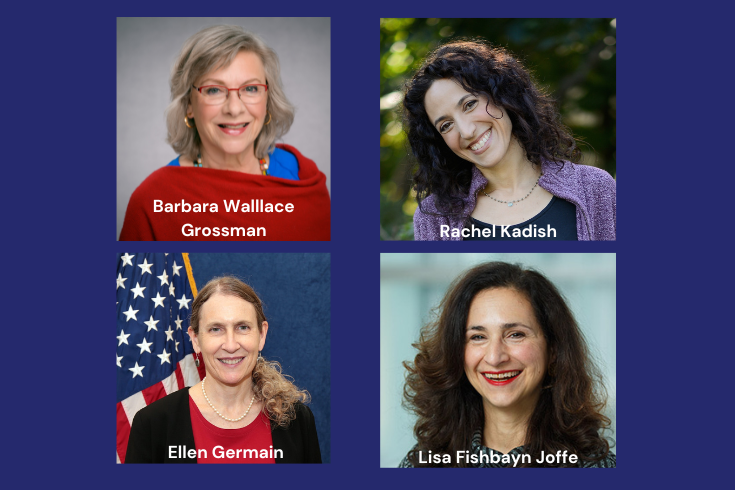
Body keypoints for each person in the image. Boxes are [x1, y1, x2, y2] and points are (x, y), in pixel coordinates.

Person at [119, 25, 330, 241]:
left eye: (250, 89)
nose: (234, 109)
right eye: (214, 90)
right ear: (188, 104)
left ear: (267, 100)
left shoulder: (303, 178)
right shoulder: (153, 199)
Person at [400, 262, 615, 467]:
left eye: (515, 334)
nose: (495, 357)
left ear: (554, 350)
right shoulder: (422, 464)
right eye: (477, 337)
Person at [403, 41, 615, 241]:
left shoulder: (594, 189)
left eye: (469, 105)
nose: (466, 131)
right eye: (446, 125)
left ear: (501, 95)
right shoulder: (435, 218)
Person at [125, 276, 321, 463]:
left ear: (262, 334)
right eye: (215, 329)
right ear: (195, 339)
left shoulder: (296, 420)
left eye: (242, 327)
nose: (230, 344)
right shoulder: (152, 424)